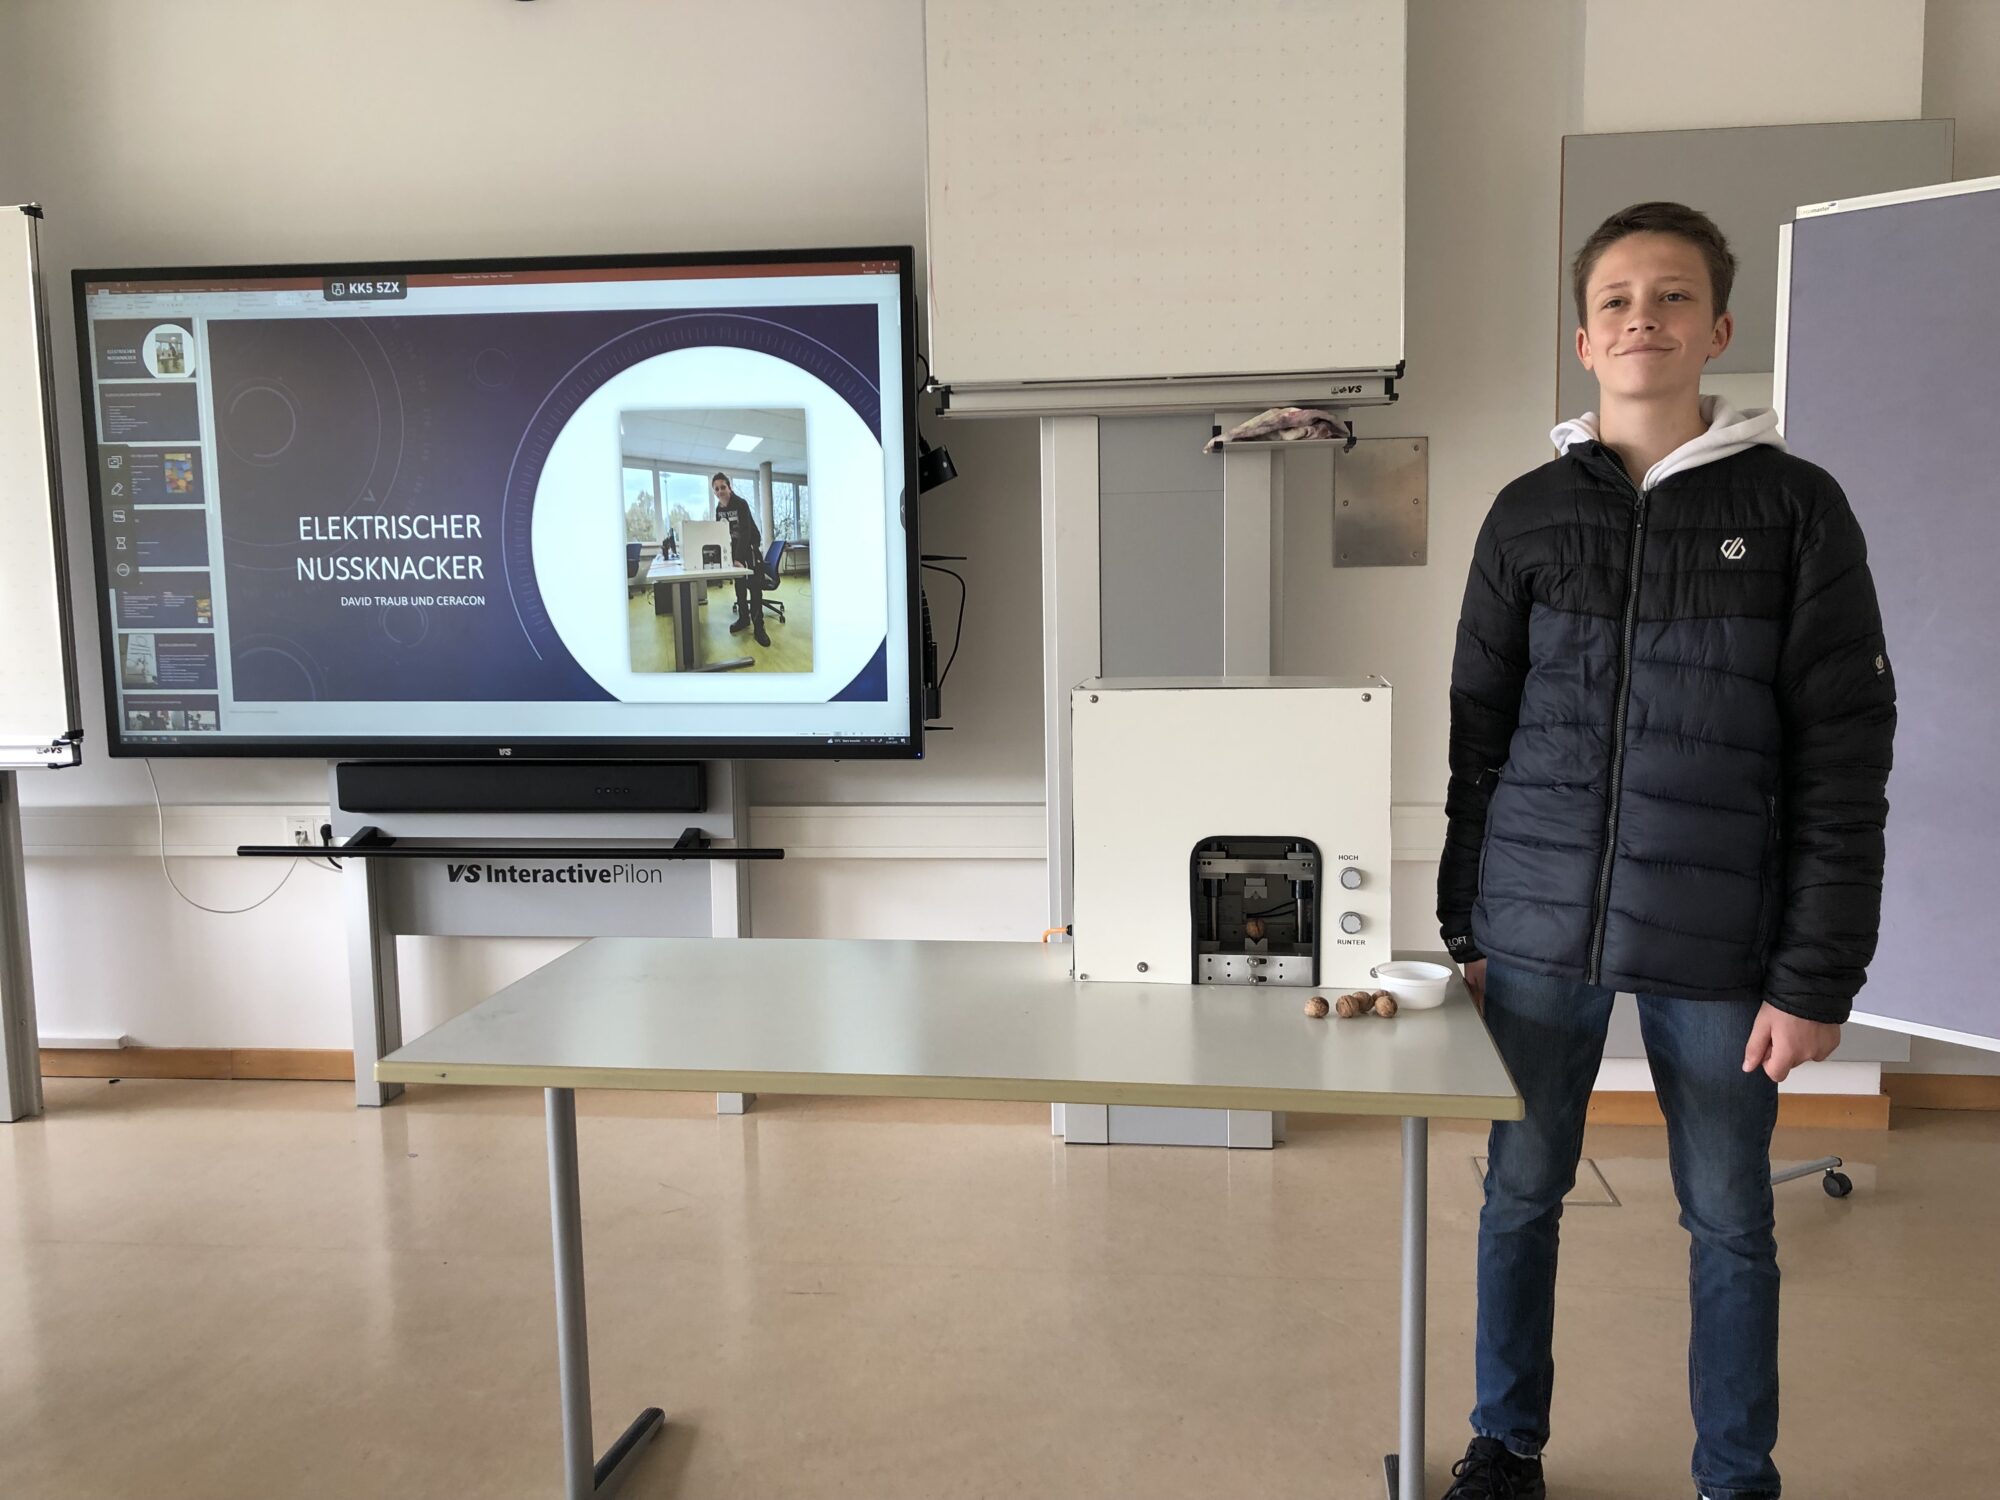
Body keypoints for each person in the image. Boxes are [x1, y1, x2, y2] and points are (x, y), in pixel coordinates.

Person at [1435, 202, 1897, 1500]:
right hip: (1536, 929)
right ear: (1586, 340)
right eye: (1618, 299)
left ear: (1718, 330)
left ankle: (1735, 1478)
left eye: (1674, 295)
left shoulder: (1797, 508)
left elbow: (1842, 754)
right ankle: (1504, 1447)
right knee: (1519, 1197)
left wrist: (1815, 977)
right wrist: (1467, 926)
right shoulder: (1525, 516)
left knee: (1730, 1218)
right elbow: (1478, 736)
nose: (1645, 316)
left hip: (1723, 943)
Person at [710, 472, 770, 648]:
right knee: (740, 586)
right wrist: (724, 555)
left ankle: (759, 627)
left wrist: (738, 558)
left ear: (729, 488)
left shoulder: (741, 504)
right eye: (716, 489)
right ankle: (744, 618)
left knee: (754, 587)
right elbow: (720, 533)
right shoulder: (719, 509)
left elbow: (745, 532)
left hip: (750, 546)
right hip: (735, 548)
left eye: (723, 487)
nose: (720, 491)